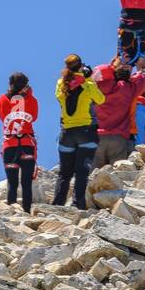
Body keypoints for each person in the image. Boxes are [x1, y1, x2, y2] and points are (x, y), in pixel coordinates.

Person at [53, 54, 106, 209]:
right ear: (81, 66)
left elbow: (58, 97)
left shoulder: (60, 83)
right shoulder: (88, 83)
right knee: (81, 172)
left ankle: (57, 204)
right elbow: (101, 100)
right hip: (86, 132)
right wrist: (88, 79)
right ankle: (78, 204)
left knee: (64, 173)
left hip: (67, 132)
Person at [92, 55, 145, 166]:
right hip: (118, 139)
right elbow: (140, 83)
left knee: (93, 177)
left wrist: (113, 66)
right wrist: (142, 72)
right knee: (119, 174)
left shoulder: (93, 90)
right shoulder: (124, 88)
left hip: (96, 139)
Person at [0, 72, 38, 211]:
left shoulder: (2, 99)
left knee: (12, 183)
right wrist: (29, 95)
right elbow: (34, 117)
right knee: (26, 183)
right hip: (27, 144)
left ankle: (12, 212)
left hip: (10, 145)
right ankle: (26, 211)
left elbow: (3, 118)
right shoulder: (31, 99)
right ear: (26, 85)